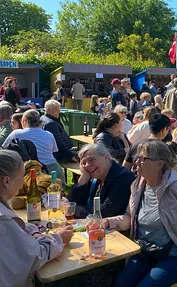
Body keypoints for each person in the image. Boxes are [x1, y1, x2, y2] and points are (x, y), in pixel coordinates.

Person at [98, 141, 177, 286]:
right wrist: (108, 222)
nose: (136, 162)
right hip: (144, 250)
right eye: (136, 157)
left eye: (142, 159)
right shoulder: (138, 184)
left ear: (159, 164)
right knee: (120, 285)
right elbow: (129, 217)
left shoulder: (176, 186)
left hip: (173, 254)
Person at [0, 150, 73, 287]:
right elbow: (33, 257)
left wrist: (31, 229)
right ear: (7, 181)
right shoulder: (3, 221)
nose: (22, 183)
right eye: (21, 177)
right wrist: (59, 238)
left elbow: (16, 230)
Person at [68, 143, 134, 219]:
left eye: (91, 159)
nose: (87, 165)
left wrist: (72, 208)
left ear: (107, 157)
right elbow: (72, 200)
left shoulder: (123, 178)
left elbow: (105, 212)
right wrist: (83, 176)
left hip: (115, 228)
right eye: (84, 163)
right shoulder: (94, 175)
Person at [2, 110, 66, 187]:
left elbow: (3, 150)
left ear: (24, 121)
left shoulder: (16, 133)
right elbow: (53, 152)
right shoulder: (49, 135)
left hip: (29, 171)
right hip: (53, 170)